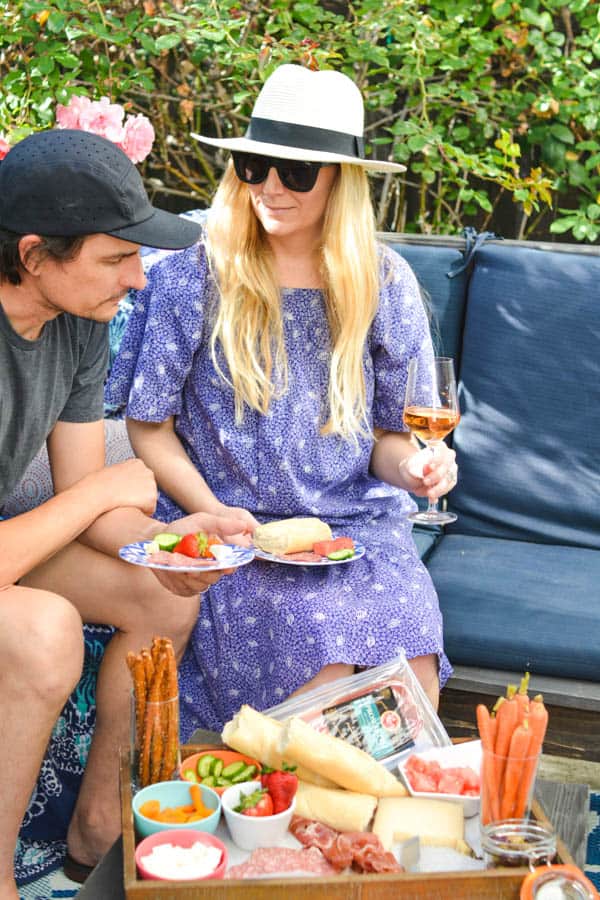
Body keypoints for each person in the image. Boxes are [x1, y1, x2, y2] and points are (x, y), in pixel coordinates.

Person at [106, 63, 458, 742]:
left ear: (340, 182)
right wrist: (210, 510)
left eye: (296, 172)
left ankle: (357, 835)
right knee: (322, 675)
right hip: (235, 528)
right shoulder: (195, 277)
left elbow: (391, 439)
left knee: (410, 679)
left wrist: (415, 469)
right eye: (255, 163)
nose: (270, 185)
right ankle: (276, 823)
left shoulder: (381, 283)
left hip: (357, 527)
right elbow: (148, 427)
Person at [0, 128, 249, 897]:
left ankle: (98, 830)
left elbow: (95, 508)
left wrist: (166, 539)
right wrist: (102, 491)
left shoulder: (76, 325)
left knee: (156, 593)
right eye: (116, 258)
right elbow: (89, 495)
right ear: (36, 254)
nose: (139, 281)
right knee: (44, 631)